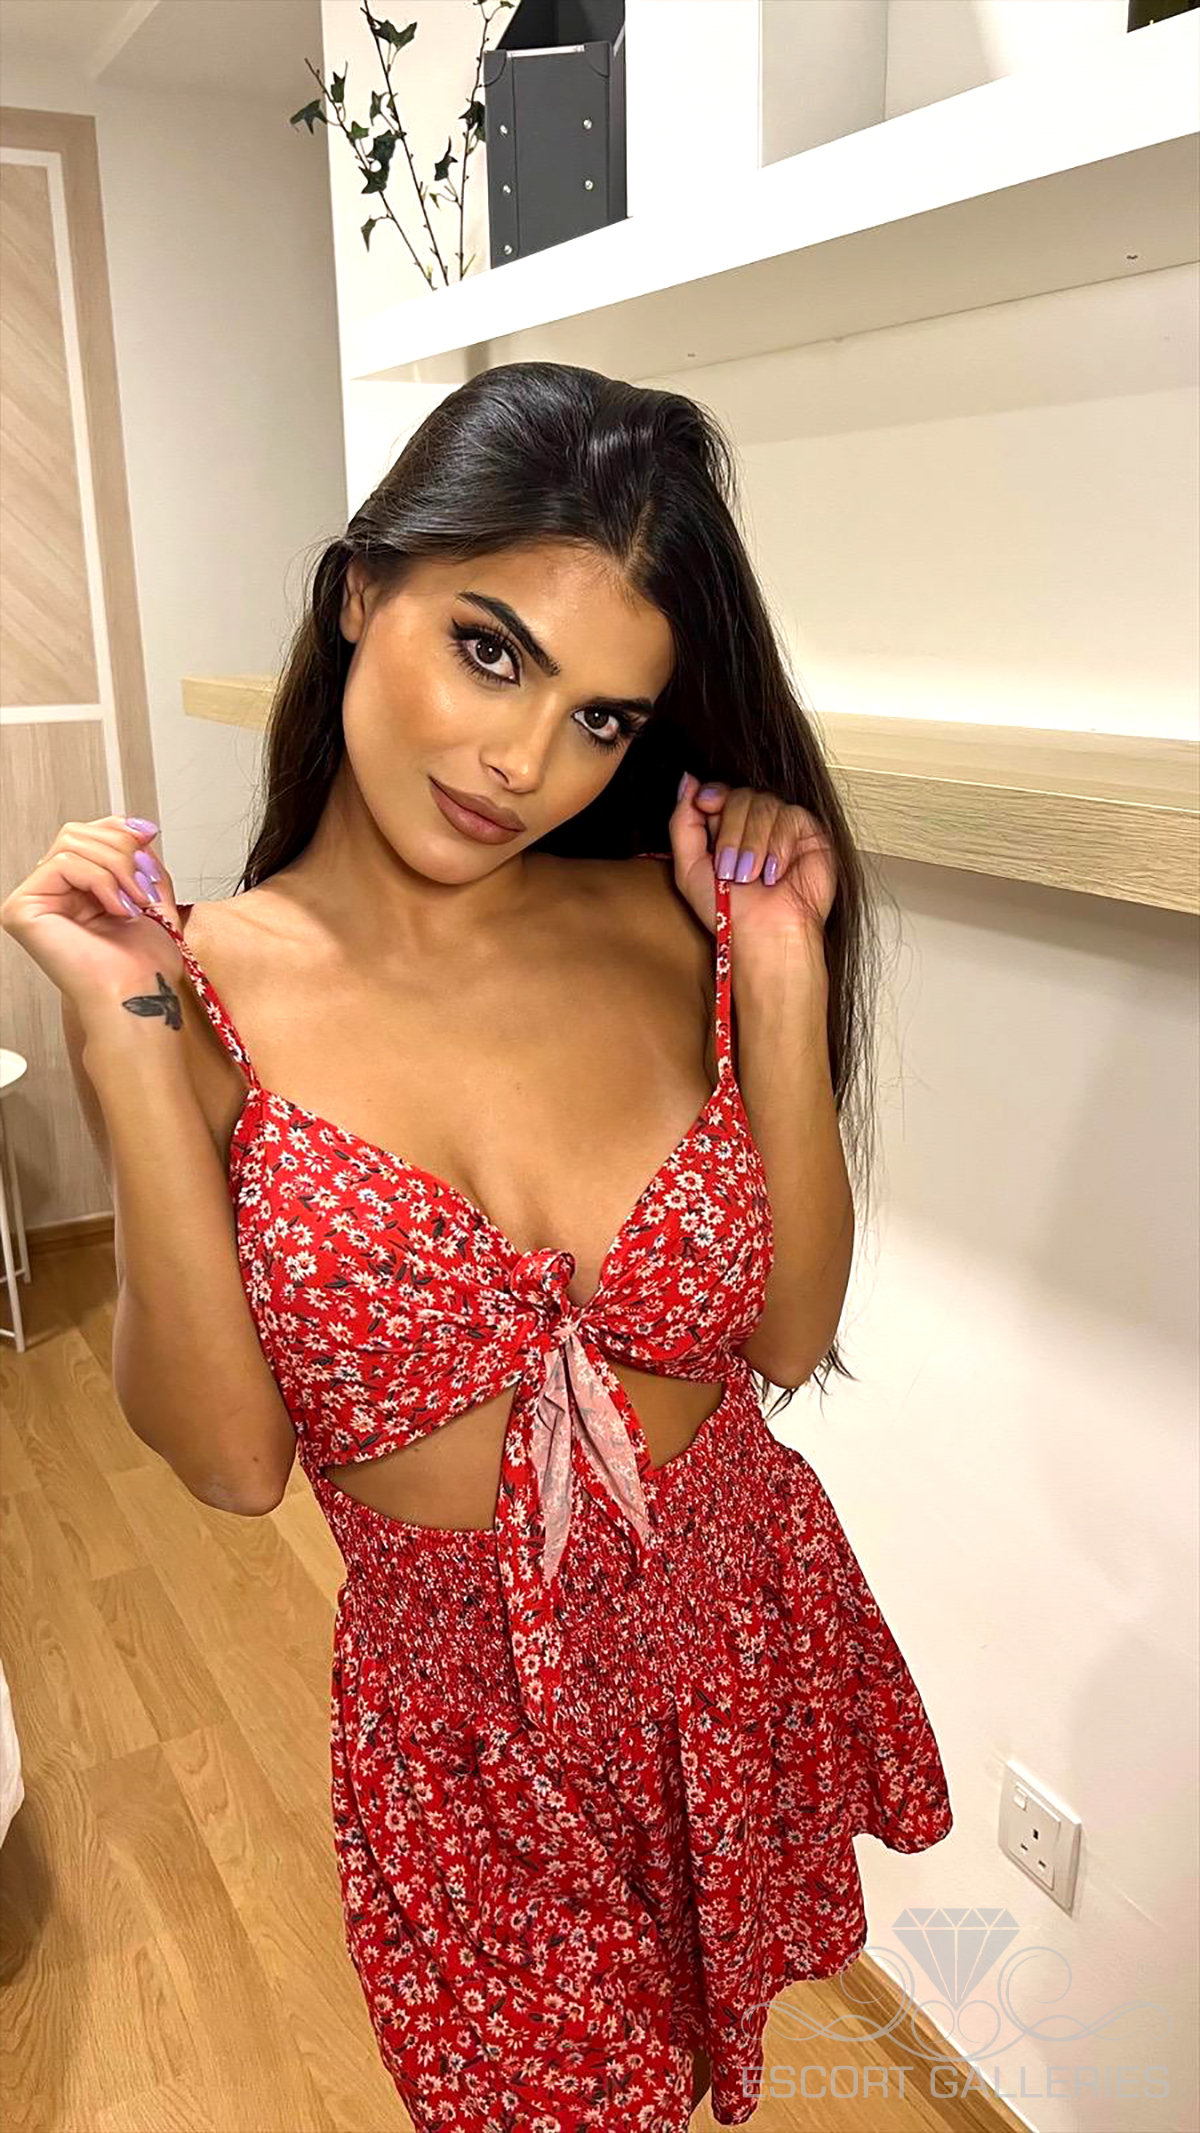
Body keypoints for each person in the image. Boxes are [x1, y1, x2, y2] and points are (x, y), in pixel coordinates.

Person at [3, 361, 952, 2130]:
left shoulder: (676, 923)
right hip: (468, 1737)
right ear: (363, 591)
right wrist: (126, 1033)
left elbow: (786, 1332)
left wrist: (783, 971)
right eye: (493, 650)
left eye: (603, 717)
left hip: (731, 1632)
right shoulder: (192, 988)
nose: (527, 761)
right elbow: (230, 1463)